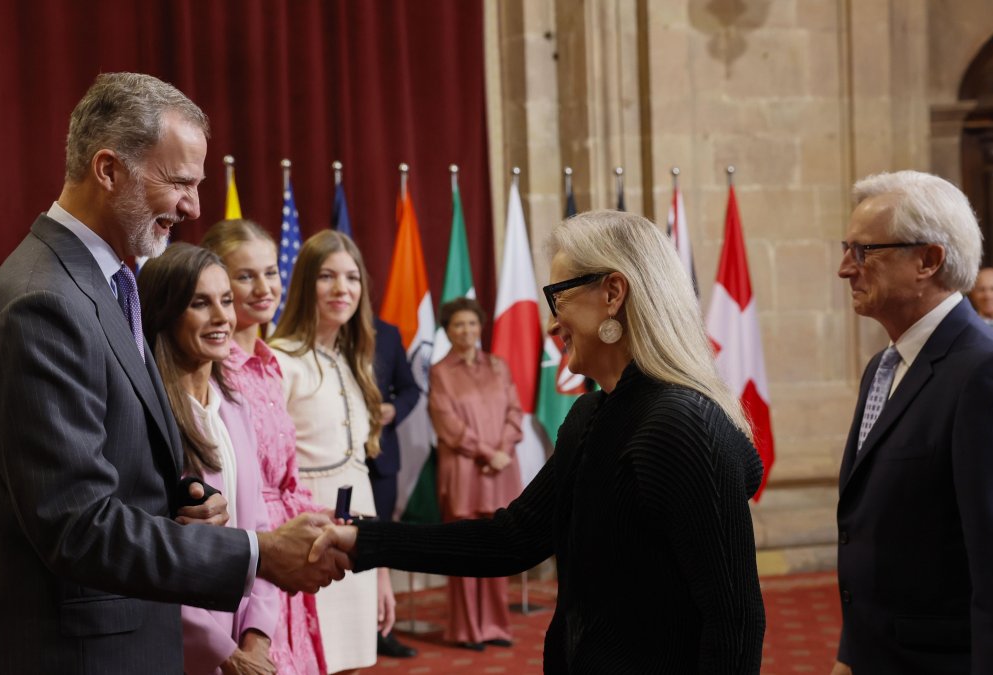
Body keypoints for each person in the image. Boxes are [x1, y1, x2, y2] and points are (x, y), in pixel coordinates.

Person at [0, 72, 345, 674]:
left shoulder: (112, 284)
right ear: (108, 170)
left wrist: (184, 497)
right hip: (63, 652)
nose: (195, 206)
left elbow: (116, 458)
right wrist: (253, 554)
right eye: (180, 181)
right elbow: (76, 525)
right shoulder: (42, 304)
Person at [311, 210, 766, 673]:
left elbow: (735, 623)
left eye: (558, 298)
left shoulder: (684, 424)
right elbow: (511, 540)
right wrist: (363, 539)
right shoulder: (590, 414)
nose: (551, 326)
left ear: (612, 292)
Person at [832, 170, 993, 674]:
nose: (845, 268)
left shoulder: (991, 374)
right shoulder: (884, 366)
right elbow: (880, 537)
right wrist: (854, 655)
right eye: (847, 248)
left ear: (928, 260)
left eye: (864, 251)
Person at [138, 243, 279, 675]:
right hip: (181, 650)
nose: (222, 318)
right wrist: (223, 653)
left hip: (246, 642)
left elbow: (259, 532)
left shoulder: (235, 406)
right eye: (200, 303)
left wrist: (256, 637)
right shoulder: (145, 418)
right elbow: (148, 555)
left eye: (225, 301)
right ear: (165, 313)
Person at [202, 218, 330, 675]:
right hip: (247, 548)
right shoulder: (212, 369)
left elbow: (285, 473)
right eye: (245, 275)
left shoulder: (270, 362)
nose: (263, 286)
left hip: (289, 547)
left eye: (271, 272)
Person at [269, 230, 395, 674]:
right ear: (305, 284)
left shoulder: (352, 361)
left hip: (356, 535)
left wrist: (380, 567)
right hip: (306, 537)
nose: (343, 289)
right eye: (327, 277)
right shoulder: (280, 360)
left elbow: (359, 469)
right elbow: (270, 475)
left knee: (353, 662)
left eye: (352, 277)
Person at [429, 297, 523, 651]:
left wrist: (504, 449)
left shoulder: (498, 365)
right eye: (458, 325)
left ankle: (496, 626)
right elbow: (447, 424)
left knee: (497, 550)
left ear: (480, 326)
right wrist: (488, 452)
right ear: (447, 331)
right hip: (465, 473)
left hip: (501, 469)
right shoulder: (440, 371)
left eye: (471, 323)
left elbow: (514, 412)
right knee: (465, 551)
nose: (466, 331)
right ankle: (468, 631)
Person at [367, 316, 421, 659]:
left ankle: (381, 630)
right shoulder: (317, 327)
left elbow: (411, 388)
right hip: (331, 462)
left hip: (381, 458)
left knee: (380, 544)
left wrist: (394, 409)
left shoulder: (387, 332)